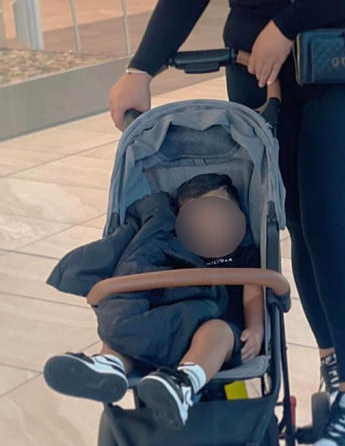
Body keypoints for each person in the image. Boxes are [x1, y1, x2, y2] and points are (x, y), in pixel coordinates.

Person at [108, 0, 345, 446]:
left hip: (343, 59)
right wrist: (142, 67)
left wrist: (286, 25)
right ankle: (333, 361)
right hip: (258, 68)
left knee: (334, 226)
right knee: (297, 223)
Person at [44, 174, 264, 430]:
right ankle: (110, 366)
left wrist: (256, 327)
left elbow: (253, 288)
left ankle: (183, 382)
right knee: (128, 326)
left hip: (217, 323)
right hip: (164, 321)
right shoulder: (172, 245)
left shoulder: (240, 249)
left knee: (217, 332)